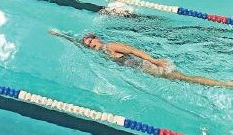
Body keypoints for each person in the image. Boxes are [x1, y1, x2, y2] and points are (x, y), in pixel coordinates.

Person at [49, 30, 233, 88]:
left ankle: (225, 84)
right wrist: (60, 36)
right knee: (184, 78)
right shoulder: (100, 51)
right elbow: (77, 43)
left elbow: (133, 50)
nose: (90, 45)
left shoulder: (110, 46)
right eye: (88, 44)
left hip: (148, 66)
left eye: (91, 41)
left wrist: (154, 61)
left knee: (185, 78)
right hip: (142, 69)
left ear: (97, 38)